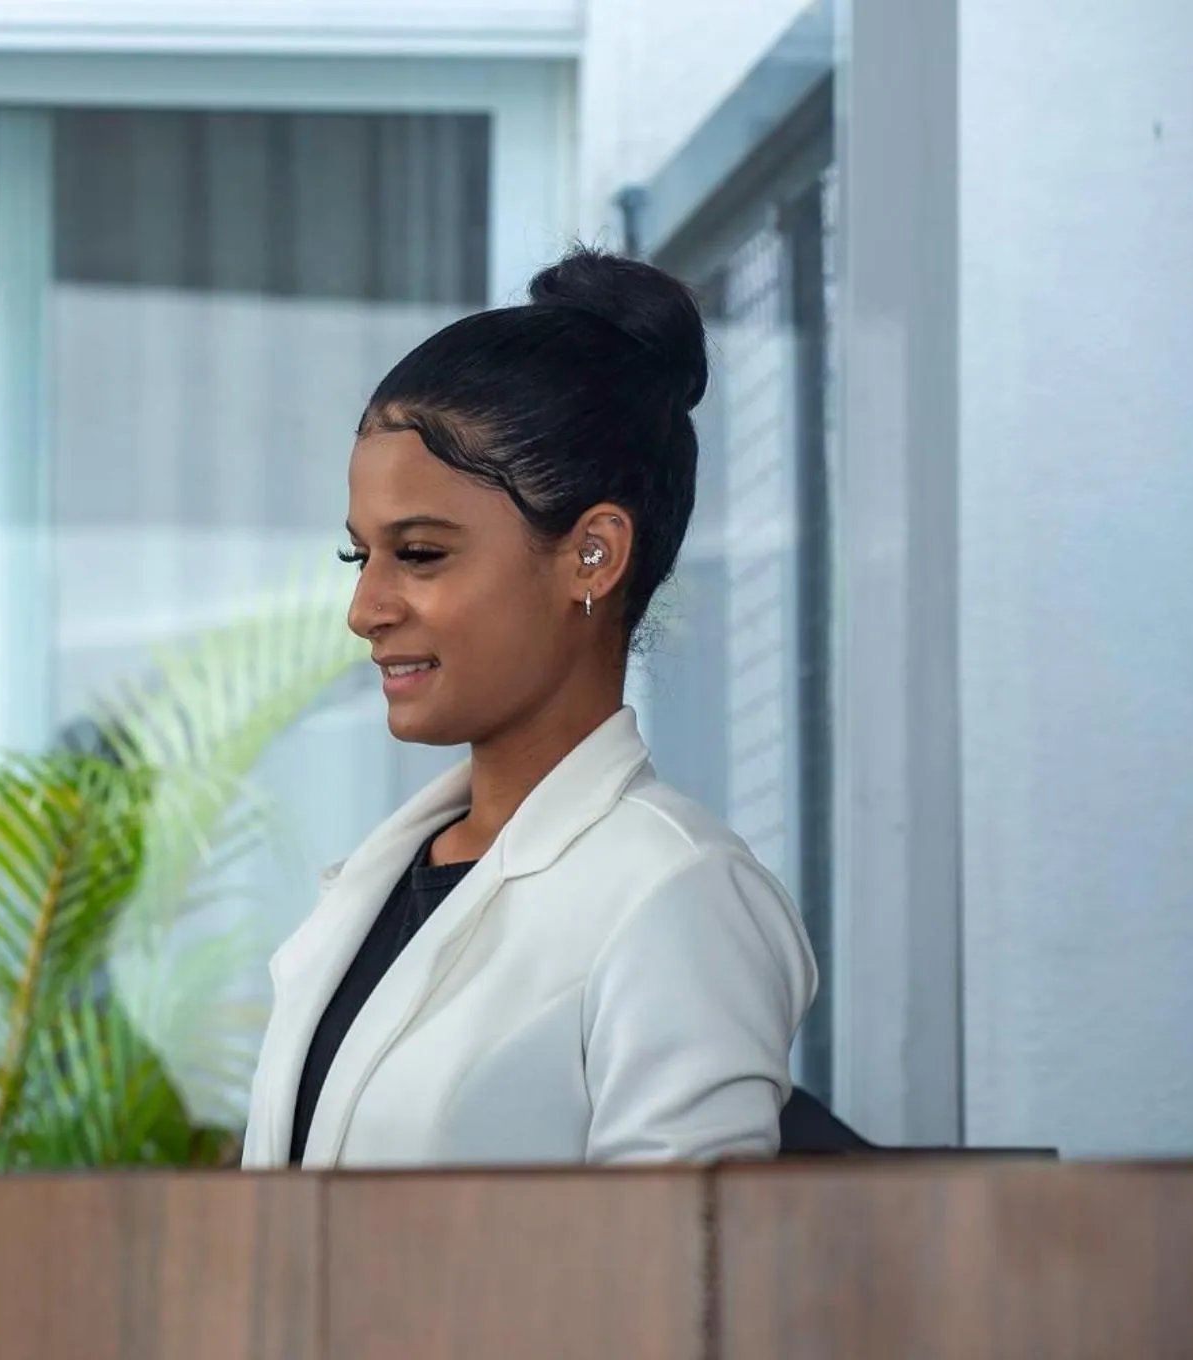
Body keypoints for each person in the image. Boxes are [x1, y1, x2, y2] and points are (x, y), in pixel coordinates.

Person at [240, 248, 817, 1168]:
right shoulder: (383, 885)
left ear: (592, 554)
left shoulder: (678, 896)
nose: (366, 609)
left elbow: (685, 1290)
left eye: (420, 555)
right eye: (362, 558)